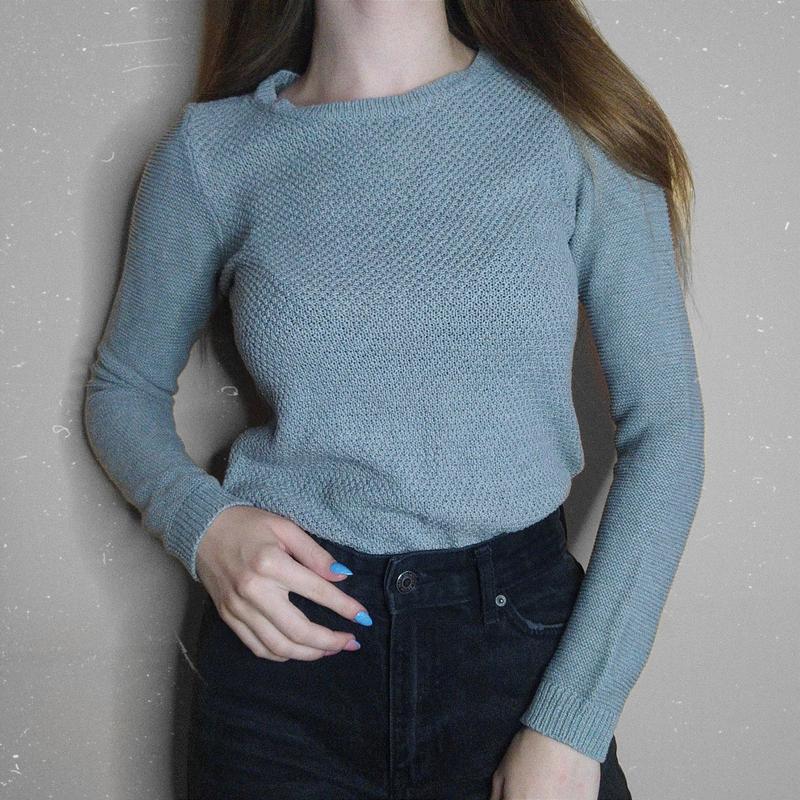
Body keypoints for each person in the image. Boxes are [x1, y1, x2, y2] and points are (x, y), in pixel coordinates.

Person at [83, 1, 705, 798]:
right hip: (284, 670)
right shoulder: (213, 154)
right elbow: (122, 389)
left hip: (520, 660)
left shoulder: (572, 128)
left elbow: (667, 430)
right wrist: (202, 526)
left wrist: (572, 722)